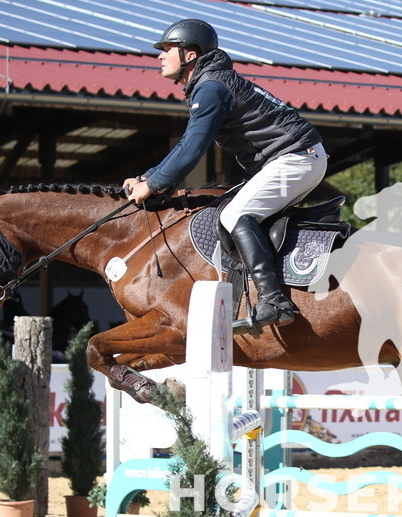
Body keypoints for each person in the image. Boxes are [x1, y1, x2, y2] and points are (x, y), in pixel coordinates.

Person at [123, 18, 327, 331]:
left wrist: (151, 184)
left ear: (190, 55)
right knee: (232, 208)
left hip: (296, 158)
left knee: (234, 215)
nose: (160, 56)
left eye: (167, 49)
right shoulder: (211, 83)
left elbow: (192, 148)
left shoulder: (211, 88)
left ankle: (274, 299)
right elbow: (187, 146)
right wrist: (148, 176)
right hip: (295, 158)